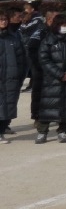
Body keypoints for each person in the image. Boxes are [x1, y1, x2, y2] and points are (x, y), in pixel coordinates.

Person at [36, 14, 66, 144]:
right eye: (63, 25)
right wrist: (59, 74)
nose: (65, 27)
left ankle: (63, 131)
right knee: (48, 106)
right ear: (56, 26)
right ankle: (42, 132)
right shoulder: (48, 40)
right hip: (52, 80)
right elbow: (44, 59)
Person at [0, 8, 28, 141]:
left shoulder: (13, 37)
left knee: (9, 106)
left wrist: (20, 75)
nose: (3, 22)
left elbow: (21, 59)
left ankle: (2, 129)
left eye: (5, 19)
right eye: (1, 20)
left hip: (10, 78)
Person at [19, 3, 46, 120]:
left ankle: (31, 85)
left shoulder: (37, 20)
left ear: (32, 9)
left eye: (27, 10)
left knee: (33, 70)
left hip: (31, 49)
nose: (25, 12)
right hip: (24, 48)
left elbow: (25, 29)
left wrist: (22, 23)